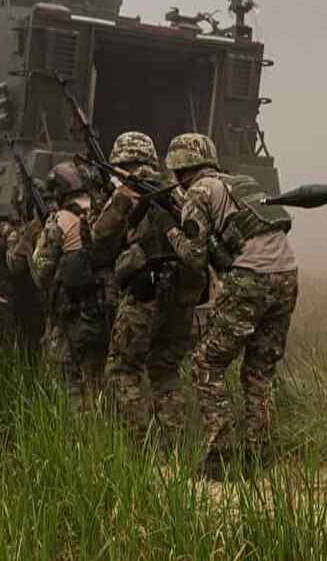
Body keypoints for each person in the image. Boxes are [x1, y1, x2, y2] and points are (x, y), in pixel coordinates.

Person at [162, 133, 298, 479]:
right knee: (259, 369)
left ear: (178, 168)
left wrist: (172, 233)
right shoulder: (243, 183)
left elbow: (194, 257)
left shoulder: (198, 191)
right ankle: (258, 453)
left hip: (251, 277)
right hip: (286, 275)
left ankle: (220, 455)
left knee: (206, 363)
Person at [91, 131, 208, 446]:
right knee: (165, 371)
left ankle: (141, 448)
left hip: (146, 290)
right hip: (184, 292)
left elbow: (100, 237)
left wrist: (110, 201)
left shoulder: (129, 191)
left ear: (121, 163)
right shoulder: (178, 189)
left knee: (122, 370)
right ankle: (175, 446)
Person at [30, 161, 112, 407]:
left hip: (73, 314)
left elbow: (41, 272)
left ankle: (78, 427)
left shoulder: (59, 220)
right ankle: (105, 423)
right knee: (99, 378)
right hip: (105, 309)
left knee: (67, 379)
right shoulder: (102, 212)